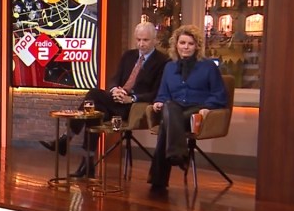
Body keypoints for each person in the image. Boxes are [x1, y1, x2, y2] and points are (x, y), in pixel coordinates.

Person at [40, 21, 169, 177]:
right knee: (93, 114)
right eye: (138, 39)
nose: (141, 44)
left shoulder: (163, 61)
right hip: (115, 102)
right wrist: (115, 90)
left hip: (133, 108)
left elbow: (157, 92)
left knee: (93, 95)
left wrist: (131, 98)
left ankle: (66, 140)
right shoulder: (129, 55)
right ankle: (86, 166)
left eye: (145, 40)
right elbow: (115, 78)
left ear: (155, 39)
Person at [148, 24, 227, 190]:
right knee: (169, 108)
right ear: (176, 45)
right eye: (182, 43)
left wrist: (208, 107)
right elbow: (163, 94)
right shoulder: (169, 67)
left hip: (195, 111)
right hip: (174, 109)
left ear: (197, 46)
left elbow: (220, 95)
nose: (186, 47)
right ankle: (178, 154)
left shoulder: (208, 67)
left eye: (190, 44)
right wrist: (158, 102)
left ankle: (158, 180)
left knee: (166, 123)